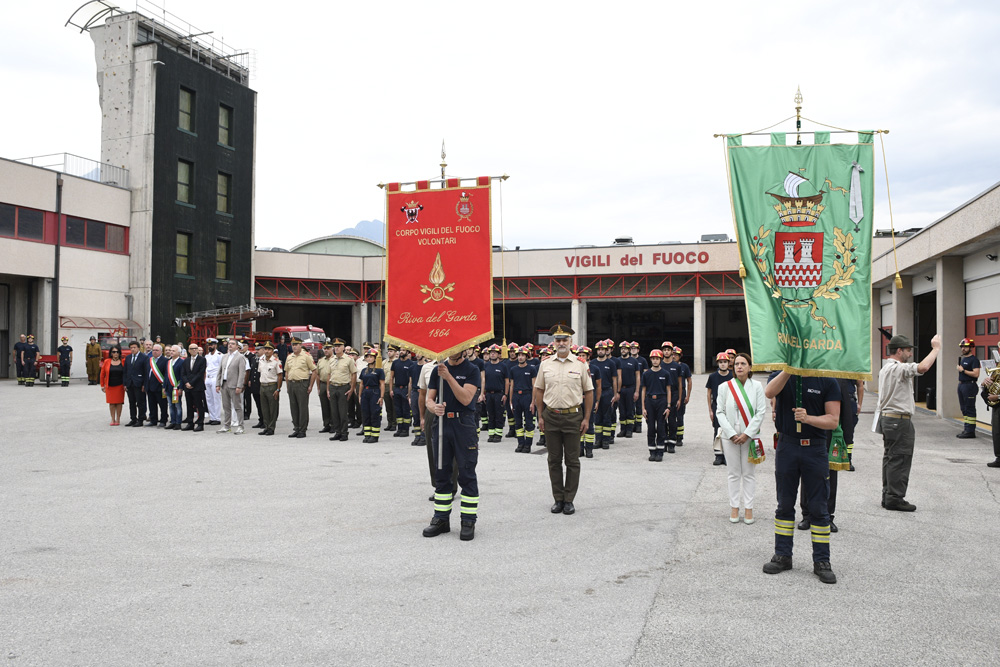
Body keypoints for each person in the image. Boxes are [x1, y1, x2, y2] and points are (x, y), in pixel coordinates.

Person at [763, 370, 841, 584]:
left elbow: (833, 420)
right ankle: (782, 556)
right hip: (787, 447)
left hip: (814, 450)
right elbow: (769, 392)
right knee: (784, 504)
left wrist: (809, 419)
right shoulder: (781, 376)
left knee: (818, 507)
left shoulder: (827, 380)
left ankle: (822, 561)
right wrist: (788, 371)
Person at [874, 334, 941, 511]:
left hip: (888, 419)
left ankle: (888, 494)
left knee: (890, 458)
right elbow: (924, 367)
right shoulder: (898, 368)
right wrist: (936, 349)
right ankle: (894, 498)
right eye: (908, 350)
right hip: (899, 421)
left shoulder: (885, 368)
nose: (910, 354)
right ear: (899, 351)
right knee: (900, 459)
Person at [534, 325, 594, 516]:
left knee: (572, 461)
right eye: (558, 340)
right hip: (551, 416)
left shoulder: (580, 364)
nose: (561, 343)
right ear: (553, 343)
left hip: (573, 417)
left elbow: (589, 392)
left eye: (564, 340)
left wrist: (586, 418)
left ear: (570, 343)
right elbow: (539, 390)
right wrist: (540, 416)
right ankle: (558, 498)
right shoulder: (545, 364)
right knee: (553, 460)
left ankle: (569, 500)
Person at [422, 350, 482, 541]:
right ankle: (441, 519)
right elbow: (429, 399)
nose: (452, 350)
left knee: (466, 473)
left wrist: (448, 377)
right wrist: (433, 407)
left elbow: (466, 398)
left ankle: (468, 520)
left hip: (463, 423)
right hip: (441, 423)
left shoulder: (472, 369)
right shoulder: (436, 370)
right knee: (441, 472)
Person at [716, 353, 767, 524]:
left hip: (749, 436)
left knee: (749, 473)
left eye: (743, 363)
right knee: (733, 473)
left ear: (750, 367)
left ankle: (749, 508)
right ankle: (734, 507)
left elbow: (761, 411)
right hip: (729, 435)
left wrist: (747, 434)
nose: (739, 366)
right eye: (736, 363)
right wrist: (730, 433)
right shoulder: (725, 387)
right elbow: (720, 412)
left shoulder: (757, 386)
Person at [640, 349, 672, 461]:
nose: (655, 361)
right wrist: (643, 407)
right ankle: (652, 451)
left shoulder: (665, 374)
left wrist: (668, 406)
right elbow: (643, 390)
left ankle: (660, 451)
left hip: (662, 401)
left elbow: (668, 390)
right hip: (650, 401)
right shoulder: (646, 374)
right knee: (651, 427)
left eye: (657, 359)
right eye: (653, 359)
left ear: (660, 359)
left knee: (661, 427)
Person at [325, 338, 357, 442]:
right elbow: (329, 375)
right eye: (335, 346)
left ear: (343, 347)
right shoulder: (332, 359)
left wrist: (352, 388)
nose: (337, 348)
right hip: (333, 386)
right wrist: (328, 389)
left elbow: (353, 374)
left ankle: (344, 433)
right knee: (334, 412)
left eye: (339, 346)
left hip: (343, 386)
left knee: (342, 412)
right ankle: (337, 432)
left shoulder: (349, 359)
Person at [284, 337, 316, 438]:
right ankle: (296, 428)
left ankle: (302, 429)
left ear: (300, 345)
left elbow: (314, 371)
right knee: (293, 407)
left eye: (296, 344)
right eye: (293, 345)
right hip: (292, 383)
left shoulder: (306, 356)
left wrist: (310, 386)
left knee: (302, 407)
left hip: (302, 383)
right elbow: (287, 371)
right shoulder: (289, 357)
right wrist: (288, 385)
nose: (294, 347)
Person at [706, 352, 733, 466]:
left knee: (729, 430)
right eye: (721, 362)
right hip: (717, 406)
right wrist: (710, 410)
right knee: (717, 431)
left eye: (725, 362)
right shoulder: (713, 377)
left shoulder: (732, 376)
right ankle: (718, 455)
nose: (723, 364)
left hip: (730, 407)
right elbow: (709, 394)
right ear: (717, 363)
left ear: (728, 363)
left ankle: (727, 456)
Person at [509, 346, 537, 453]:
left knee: (529, 422)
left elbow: (534, 386)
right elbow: (512, 385)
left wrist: (533, 401)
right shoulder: (513, 370)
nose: (520, 357)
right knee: (518, 422)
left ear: (526, 356)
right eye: (519, 355)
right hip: (516, 396)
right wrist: (511, 400)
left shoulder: (531, 369)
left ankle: (528, 445)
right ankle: (520, 443)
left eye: (522, 355)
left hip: (527, 396)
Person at [216, 338, 246, 434]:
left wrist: (239, 386)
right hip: (224, 384)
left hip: (234, 385)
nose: (230, 345)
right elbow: (220, 371)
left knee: (237, 406)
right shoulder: (224, 356)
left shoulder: (240, 357)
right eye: (229, 344)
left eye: (233, 344)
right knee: (226, 406)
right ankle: (226, 425)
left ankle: (241, 426)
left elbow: (242, 373)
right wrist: (218, 384)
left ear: (237, 346)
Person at [592, 341, 618, 449]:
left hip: (607, 391)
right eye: (599, 349)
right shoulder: (593, 363)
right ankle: (598, 440)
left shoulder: (611, 363)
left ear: (606, 350)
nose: (601, 351)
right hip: (596, 392)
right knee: (597, 417)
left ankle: (606, 440)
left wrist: (615, 394)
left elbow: (615, 380)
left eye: (602, 349)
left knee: (607, 416)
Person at [483, 344, 510, 442]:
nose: (492, 354)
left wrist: (505, 394)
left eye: (494, 353)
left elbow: (507, 381)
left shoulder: (503, 366)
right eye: (491, 353)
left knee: (499, 414)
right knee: (490, 414)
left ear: (499, 354)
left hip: (499, 394)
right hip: (489, 394)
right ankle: (491, 434)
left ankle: (498, 435)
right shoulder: (485, 366)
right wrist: (483, 393)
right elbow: (483, 380)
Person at [257, 342, 283, 436]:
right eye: (265, 349)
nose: (267, 351)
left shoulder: (276, 361)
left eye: (269, 349)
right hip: (263, 385)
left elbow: (280, 376)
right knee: (264, 408)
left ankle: (271, 428)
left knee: (273, 408)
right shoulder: (261, 360)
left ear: (272, 351)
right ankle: (266, 426)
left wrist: (278, 389)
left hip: (272, 385)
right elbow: (260, 372)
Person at [956, 338, 981, 438]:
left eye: (965, 347)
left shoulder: (974, 360)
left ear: (971, 347)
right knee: (964, 408)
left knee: (969, 408)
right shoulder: (963, 359)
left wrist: (963, 371)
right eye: (962, 347)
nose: (963, 348)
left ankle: (971, 431)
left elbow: (976, 374)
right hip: (961, 385)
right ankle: (966, 429)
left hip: (969, 386)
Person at [359, 349, 385, 442]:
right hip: (365, 392)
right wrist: (359, 396)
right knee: (366, 413)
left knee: (374, 413)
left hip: (375, 392)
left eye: (371, 357)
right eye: (368, 357)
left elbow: (382, 384)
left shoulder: (379, 371)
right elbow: (361, 384)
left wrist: (381, 397)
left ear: (375, 358)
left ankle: (374, 436)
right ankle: (367, 434)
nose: (369, 359)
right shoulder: (364, 371)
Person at [617, 340, 640, 438]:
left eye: (625, 349)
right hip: (621, 389)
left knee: (630, 409)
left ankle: (629, 429)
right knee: (622, 410)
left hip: (631, 388)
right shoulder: (617, 361)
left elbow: (638, 377)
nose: (623, 350)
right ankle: (623, 429)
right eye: (622, 349)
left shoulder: (634, 361)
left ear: (629, 350)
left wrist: (637, 391)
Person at [181, 342, 206, 431]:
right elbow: (183, 373)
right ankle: (190, 422)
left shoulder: (202, 360)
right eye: (192, 349)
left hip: (197, 386)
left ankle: (200, 423)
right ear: (189, 350)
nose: (194, 350)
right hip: (188, 387)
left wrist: (191, 383)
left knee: (199, 405)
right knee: (189, 405)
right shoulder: (186, 360)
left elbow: (200, 373)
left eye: (196, 348)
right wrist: (186, 383)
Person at [98, 345, 126, 424]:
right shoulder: (107, 361)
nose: (115, 353)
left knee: (119, 402)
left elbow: (126, 373)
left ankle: (118, 419)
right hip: (110, 386)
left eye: (117, 352)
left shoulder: (123, 361)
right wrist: (102, 385)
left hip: (120, 386)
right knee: (112, 403)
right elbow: (102, 374)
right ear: (111, 353)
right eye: (113, 352)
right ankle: (112, 419)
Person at [123, 340, 148, 426]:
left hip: (139, 383)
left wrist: (144, 384)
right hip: (130, 383)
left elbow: (146, 372)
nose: (132, 349)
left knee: (140, 402)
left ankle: (141, 419)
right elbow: (125, 371)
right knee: (131, 402)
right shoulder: (128, 357)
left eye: (134, 347)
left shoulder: (144, 357)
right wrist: (125, 383)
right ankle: (133, 418)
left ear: (138, 348)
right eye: (131, 348)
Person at [389, 349, 413, 437]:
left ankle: (405, 430)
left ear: (408, 352)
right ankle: (399, 429)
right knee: (398, 410)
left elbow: (411, 380)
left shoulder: (411, 363)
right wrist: (391, 390)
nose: (401, 352)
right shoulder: (395, 363)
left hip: (406, 389)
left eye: (403, 350)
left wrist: (409, 392)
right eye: (400, 350)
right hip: (397, 389)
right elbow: (391, 377)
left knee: (405, 410)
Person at [672, 346, 693, 446]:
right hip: (669, 392)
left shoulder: (684, 367)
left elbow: (689, 381)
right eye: (673, 354)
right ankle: (670, 435)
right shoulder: (667, 365)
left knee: (679, 416)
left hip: (681, 392)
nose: (674, 356)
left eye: (676, 355)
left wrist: (688, 396)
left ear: (680, 356)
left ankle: (679, 437)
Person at [315, 342, 336, 434]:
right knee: (324, 406)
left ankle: (334, 425)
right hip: (323, 384)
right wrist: (318, 387)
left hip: (332, 384)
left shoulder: (336, 359)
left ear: (332, 349)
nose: (326, 350)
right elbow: (318, 374)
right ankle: (326, 424)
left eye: (328, 348)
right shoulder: (321, 360)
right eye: (325, 348)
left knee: (333, 406)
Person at [982, 369, 1000, 468]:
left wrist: (998, 397)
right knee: (996, 432)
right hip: (997, 406)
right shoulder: (997, 372)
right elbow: (986, 388)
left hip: (997, 400)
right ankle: (999, 458)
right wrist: (984, 383)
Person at [204, 338, 224, 425]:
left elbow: (222, 369)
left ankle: (217, 418)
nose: (210, 346)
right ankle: (212, 417)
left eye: (212, 345)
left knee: (216, 398)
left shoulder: (220, 355)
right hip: (207, 378)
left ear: (215, 345)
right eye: (209, 345)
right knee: (209, 399)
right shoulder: (206, 356)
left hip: (215, 378)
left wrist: (220, 381)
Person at [630, 342, 647, 434]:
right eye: (632, 348)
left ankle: (639, 425)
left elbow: (645, 373)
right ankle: (632, 424)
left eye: (635, 348)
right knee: (631, 406)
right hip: (630, 385)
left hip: (640, 386)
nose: (633, 349)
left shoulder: (642, 360)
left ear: (638, 350)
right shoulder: (627, 360)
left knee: (639, 406)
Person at [244, 345, 263, 428]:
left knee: (263, 404)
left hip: (262, 384)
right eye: (256, 350)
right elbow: (252, 371)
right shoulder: (254, 359)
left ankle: (265, 421)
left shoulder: (265, 359)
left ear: (263, 350)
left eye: (259, 349)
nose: (257, 351)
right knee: (258, 404)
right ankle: (261, 420)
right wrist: (249, 380)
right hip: (255, 385)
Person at [382, 346, 398, 433]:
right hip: (386, 385)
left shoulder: (397, 362)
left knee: (394, 406)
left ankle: (394, 423)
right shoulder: (384, 362)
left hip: (395, 385)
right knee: (388, 406)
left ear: (395, 353)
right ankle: (389, 423)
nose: (389, 352)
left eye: (391, 351)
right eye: (388, 351)